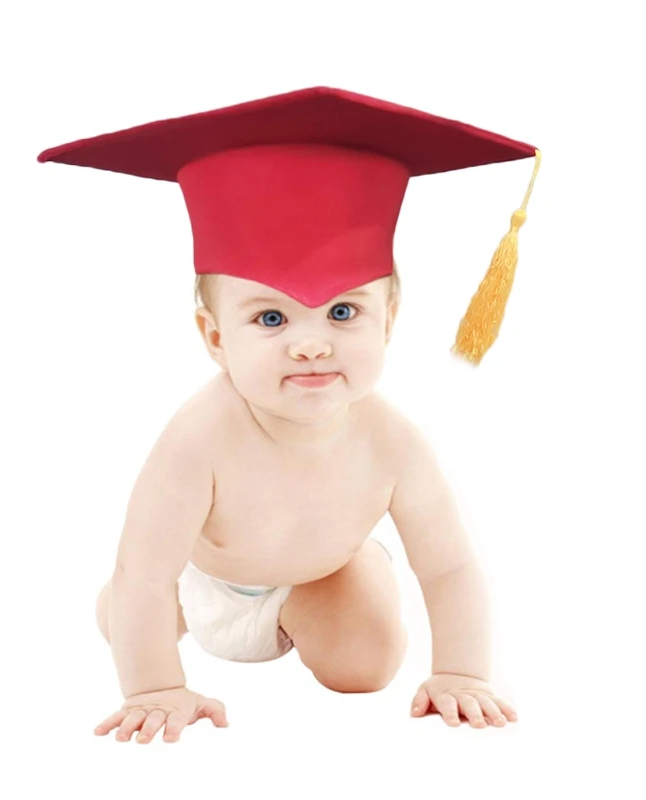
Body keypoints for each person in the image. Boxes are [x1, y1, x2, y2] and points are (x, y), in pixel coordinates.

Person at [38, 86, 539, 744]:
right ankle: (162, 625)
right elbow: (146, 572)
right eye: (271, 318)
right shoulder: (198, 439)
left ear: (388, 322)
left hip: (320, 580)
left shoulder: (392, 443)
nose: (311, 344)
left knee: (365, 667)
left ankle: (341, 591)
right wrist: (154, 687)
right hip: (197, 585)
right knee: (126, 613)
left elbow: (448, 567)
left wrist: (462, 672)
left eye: (343, 312)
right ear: (216, 338)